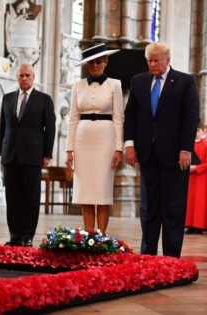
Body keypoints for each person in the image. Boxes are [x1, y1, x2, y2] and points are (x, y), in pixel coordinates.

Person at [124, 42, 200, 258]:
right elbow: (131, 115)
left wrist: (186, 149)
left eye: (157, 60)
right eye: (149, 60)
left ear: (168, 59)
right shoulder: (139, 81)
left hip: (176, 156)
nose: (153, 64)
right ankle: (147, 255)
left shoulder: (184, 82)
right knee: (149, 209)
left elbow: (191, 117)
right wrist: (129, 145)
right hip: (148, 154)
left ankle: (171, 258)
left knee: (173, 209)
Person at [65, 44, 123, 235]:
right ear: (87, 65)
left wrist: (118, 148)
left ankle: (102, 237)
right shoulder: (77, 86)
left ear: (105, 62)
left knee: (102, 191)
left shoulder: (115, 84)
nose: (95, 65)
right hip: (82, 140)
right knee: (86, 191)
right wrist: (69, 150)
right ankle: (90, 237)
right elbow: (72, 118)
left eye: (99, 61)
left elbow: (118, 118)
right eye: (91, 62)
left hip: (106, 140)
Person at [0, 63, 56, 247]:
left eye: (28, 75)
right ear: (17, 78)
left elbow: (50, 128)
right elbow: (3, 128)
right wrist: (1, 152)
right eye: (21, 75)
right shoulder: (7, 99)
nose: (24, 78)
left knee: (30, 198)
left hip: (33, 155)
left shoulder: (44, 99)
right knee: (12, 197)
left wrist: (47, 154)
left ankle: (27, 236)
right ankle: (14, 235)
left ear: (33, 77)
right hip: (10, 155)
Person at [185, 124, 207, 234]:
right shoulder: (188, 145)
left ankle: (199, 226)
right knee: (190, 201)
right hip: (191, 176)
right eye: (195, 130)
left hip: (202, 177)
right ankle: (189, 225)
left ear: (202, 132)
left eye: (198, 130)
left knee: (199, 202)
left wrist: (196, 168)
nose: (196, 132)